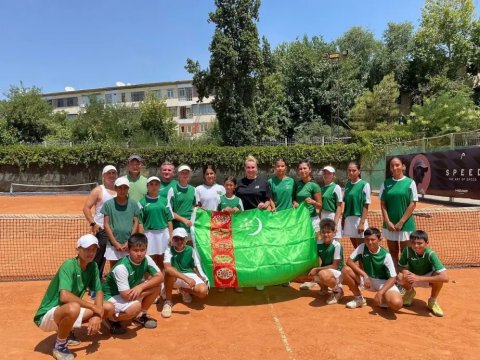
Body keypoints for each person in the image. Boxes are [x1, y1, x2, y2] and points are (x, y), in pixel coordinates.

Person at [33, 235, 113, 360]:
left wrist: (97, 315)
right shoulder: (68, 265)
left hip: (66, 309)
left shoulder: (93, 267)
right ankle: (60, 346)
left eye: (94, 249)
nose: (91, 253)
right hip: (47, 316)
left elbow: (98, 291)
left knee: (108, 307)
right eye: (87, 249)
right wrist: (94, 307)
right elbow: (64, 296)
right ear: (78, 249)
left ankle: (67, 331)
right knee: (73, 308)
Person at [102, 233, 163, 333]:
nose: (139, 254)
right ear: (128, 250)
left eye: (142, 250)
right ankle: (110, 318)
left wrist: (140, 287)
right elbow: (126, 296)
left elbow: (160, 277)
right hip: (111, 296)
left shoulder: (146, 259)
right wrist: (140, 292)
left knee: (156, 286)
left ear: (146, 249)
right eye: (135, 250)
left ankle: (140, 315)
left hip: (129, 291)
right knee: (135, 307)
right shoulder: (121, 268)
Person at [341, 228, 403, 311]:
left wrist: (380, 292)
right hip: (367, 280)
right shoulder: (362, 247)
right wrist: (365, 275)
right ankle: (359, 299)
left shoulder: (386, 255)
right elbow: (349, 261)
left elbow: (393, 277)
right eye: (367, 240)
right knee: (345, 270)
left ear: (379, 239)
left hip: (383, 283)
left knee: (397, 304)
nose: (370, 242)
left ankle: (385, 297)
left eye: (373, 240)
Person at [236, 155, 272, 291]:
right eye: (248, 167)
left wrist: (265, 203)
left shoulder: (263, 183)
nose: (250, 170)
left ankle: (259, 278)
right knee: (243, 250)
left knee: (258, 249)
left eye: (253, 167)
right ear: (244, 169)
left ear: (257, 169)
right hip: (243, 223)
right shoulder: (239, 183)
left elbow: (269, 200)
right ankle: (243, 279)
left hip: (259, 223)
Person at [397, 230, 448, 317]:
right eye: (413, 242)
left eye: (420, 243)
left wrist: (419, 278)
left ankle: (432, 301)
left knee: (439, 276)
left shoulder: (430, 254)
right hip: (412, 277)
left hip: (427, 278)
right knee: (400, 277)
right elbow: (400, 266)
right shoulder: (407, 251)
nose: (416, 246)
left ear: (426, 243)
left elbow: (445, 278)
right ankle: (409, 292)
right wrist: (405, 272)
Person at [294, 219, 344, 305]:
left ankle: (338, 291)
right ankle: (324, 288)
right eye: (323, 232)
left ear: (334, 233)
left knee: (322, 274)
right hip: (325, 269)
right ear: (320, 233)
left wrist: (317, 269)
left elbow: (335, 266)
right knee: (301, 275)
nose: (326, 235)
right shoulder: (318, 244)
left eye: (328, 232)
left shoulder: (337, 245)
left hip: (338, 272)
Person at [161, 228, 209, 319]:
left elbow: (196, 266)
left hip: (190, 275)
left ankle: (184, 290)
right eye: (176, 239)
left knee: (203, 291)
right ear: (173, 240)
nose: (179, 241)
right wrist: (186, 279)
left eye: (182, 239)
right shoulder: (168, 250)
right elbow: (167, 268)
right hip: (176, 277)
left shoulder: (191, 250)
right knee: (169, 272)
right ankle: (168, 302)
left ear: (186, 239)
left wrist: (201, 277)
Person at [380, 156, 418, 267]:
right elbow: (383, 205)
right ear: (390, 168)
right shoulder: (385, 183)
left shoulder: (410, 183)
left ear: (403, 166)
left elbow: (413, 203)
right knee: (392, 252)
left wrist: (401, 222)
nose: (395, 167)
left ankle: (405, 278)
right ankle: (395, 276)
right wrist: (388, 222)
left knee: (406, 252)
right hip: (390, 224)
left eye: (397, 165)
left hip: (406, 224)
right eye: (392, 166)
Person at [82, 165, 117, 280]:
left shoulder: (120, 189)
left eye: (113, 173)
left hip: (117, 229)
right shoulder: (98, 190)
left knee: (116, 256)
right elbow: (86, 208)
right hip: (102, 229)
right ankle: (94, 282)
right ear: (103, 175)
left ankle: (114, 280)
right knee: (99, 257)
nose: (111, 175)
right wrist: (93, 223)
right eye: (109, 173)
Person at [294, 160, 322, 291]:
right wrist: (295, 203)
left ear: (309, 169)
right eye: (300, 169)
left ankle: (315, 278)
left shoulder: (314, 186)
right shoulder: (297, 184)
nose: (302, 171)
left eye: (305, 168)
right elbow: (294, 199)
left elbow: (320, 205)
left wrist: (312, 202)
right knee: (304, 248)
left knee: (315, 248)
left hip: (313, 220)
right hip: (300, 221)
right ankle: (306, 276)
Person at [102, 177, 140, 268]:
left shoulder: (134, 204)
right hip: (113, 244)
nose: (122, 190)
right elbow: (106, 224)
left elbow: (136, 222)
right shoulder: (108, 204)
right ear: (115, 188)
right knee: (114, 268)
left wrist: (129, 242)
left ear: (128, 189)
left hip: (129, 243)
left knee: (129, 267)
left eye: (125, 188)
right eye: (120, 187)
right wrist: (115, 242)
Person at [138, 176, 173, 271]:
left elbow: (169, 220)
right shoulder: (142, 202)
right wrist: (141, 239)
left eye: (156, 184)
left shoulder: (165, 200)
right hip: (149, 234)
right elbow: (140, 222)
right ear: (147, 186)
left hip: (163, 233)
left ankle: (163, 284)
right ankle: (152, 283)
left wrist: (171, 235)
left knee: (163, 260)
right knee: (150, 260)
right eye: (151, 184)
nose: (154, 186)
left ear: (159, 186)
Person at [343, 161, 371, 248]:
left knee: (362, 248)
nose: (351, 172)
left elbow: (366, 204)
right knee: (356, 249)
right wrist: (343, 220)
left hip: (359, 219)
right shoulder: (347, 185)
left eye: (354, 170)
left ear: (359, 171)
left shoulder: (364, 185)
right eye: (349, 170)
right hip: (349, 220)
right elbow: (345, 204)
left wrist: (362, 223)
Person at [167, 164, 196, 236]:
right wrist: (184, 220)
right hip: (178, 227)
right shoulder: (172, 190)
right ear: (178, 175)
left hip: (191, 227)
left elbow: (195, 207)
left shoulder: (194, 189)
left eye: (187, 173)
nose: (185, 175)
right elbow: (169, 211)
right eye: (182, 173)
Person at [319, 166, 343, 240]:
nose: (326, 175)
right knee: (325, 240)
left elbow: (339, 206)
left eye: (329, 173)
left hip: (332, 216)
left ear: (333, 175)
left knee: (335, 241)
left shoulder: (336, 187)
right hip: (323, 216)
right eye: (325, 173)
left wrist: (335, 224)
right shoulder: (321, 188)